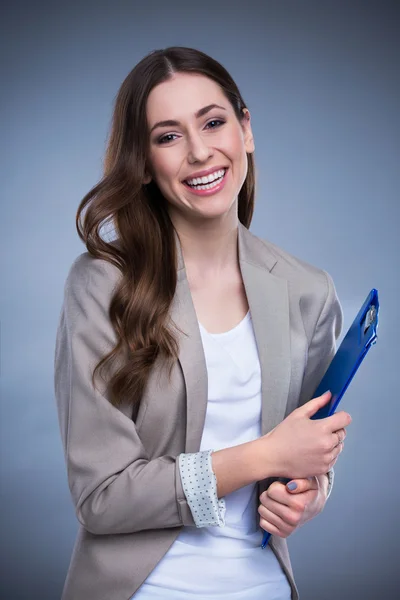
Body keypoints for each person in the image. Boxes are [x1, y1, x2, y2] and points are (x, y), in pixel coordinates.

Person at [54, 46, 351, 600]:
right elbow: (101, 496)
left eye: (213, 123)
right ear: (143, 163)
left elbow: (307, 453)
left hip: (264, 585)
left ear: (246, 130)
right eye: (168, 136)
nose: (198, 151)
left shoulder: (309, 291)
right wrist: (262, 456)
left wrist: (309, 493)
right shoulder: (103, 284)